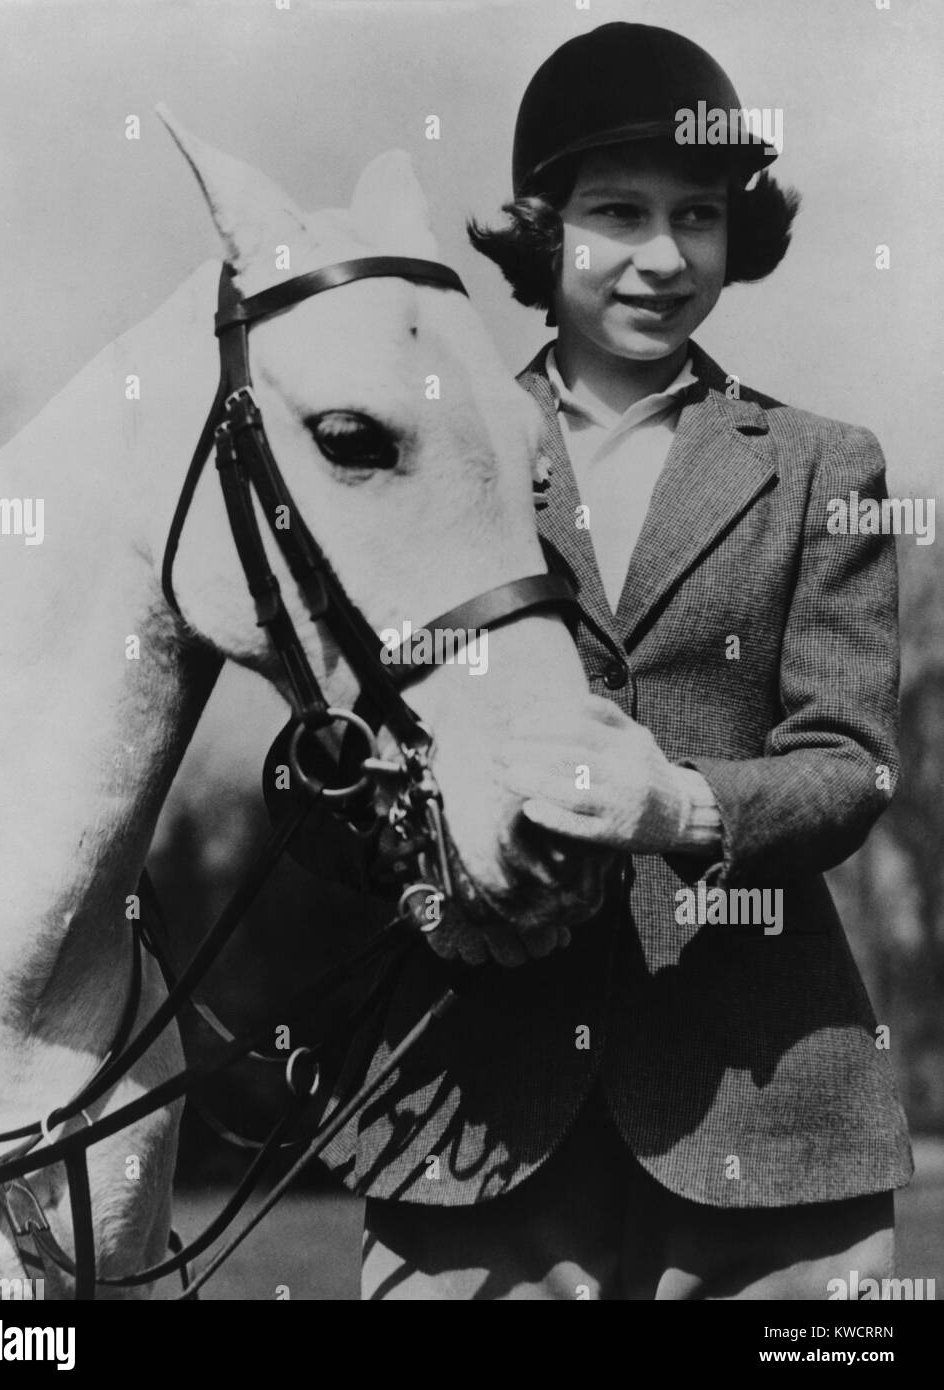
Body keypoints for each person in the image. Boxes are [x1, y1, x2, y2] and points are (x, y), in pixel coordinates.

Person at [321, 21, 912, 1300]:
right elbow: (350, 752)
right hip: (470, 1117)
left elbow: (851, 765)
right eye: (616, 212)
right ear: (543, 229)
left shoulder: (824, 466)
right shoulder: (430, 447)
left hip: (772, 1116)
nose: (660, 255)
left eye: (697, 215)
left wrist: (682, 804)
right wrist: (428, 854)